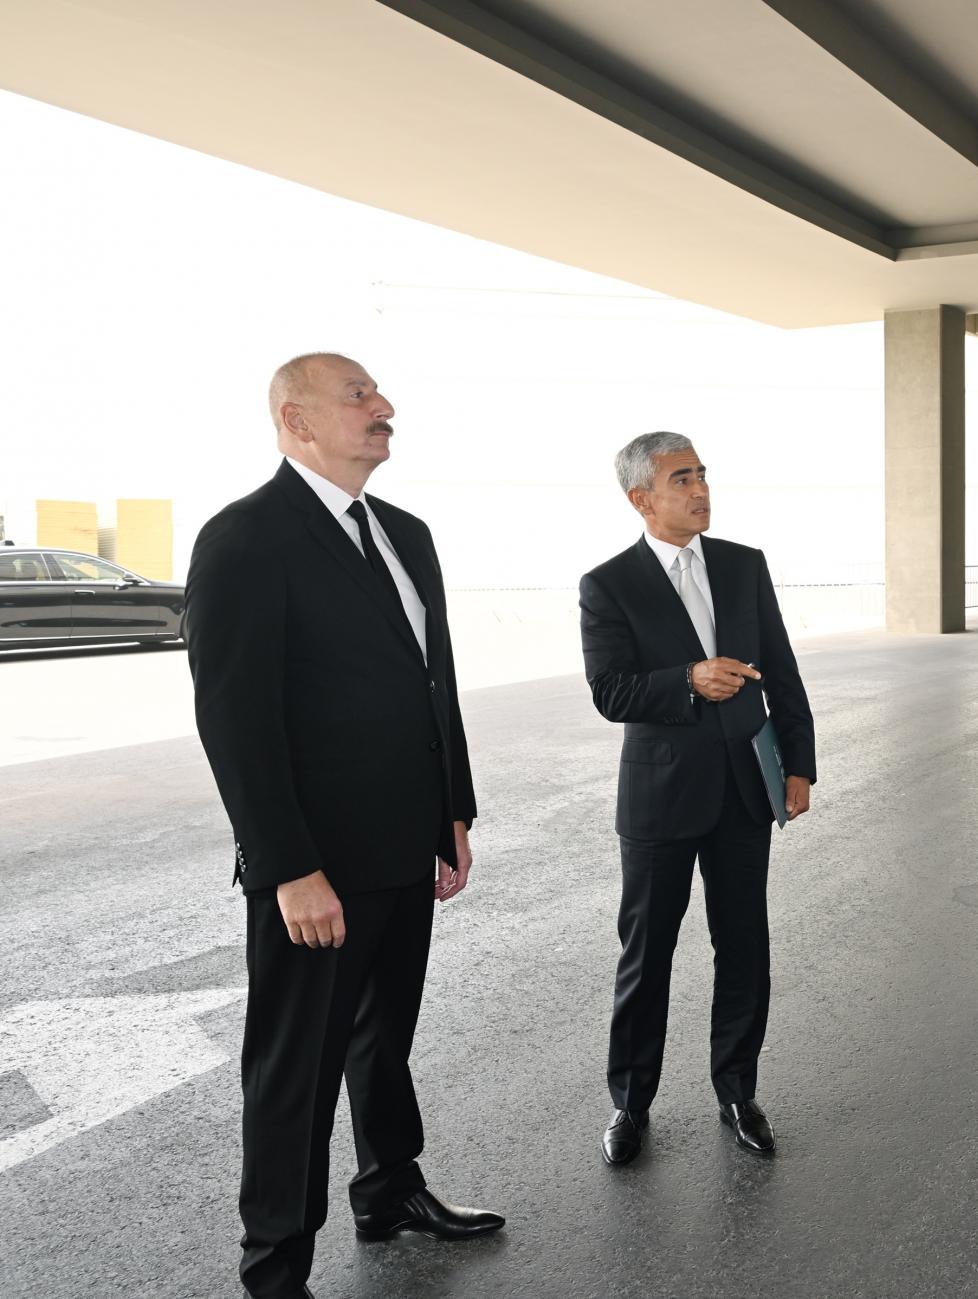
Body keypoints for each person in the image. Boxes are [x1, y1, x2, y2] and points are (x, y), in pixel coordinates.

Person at [187, 353, 502, 1298]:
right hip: (317, 866)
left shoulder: (405, 532)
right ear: (298, 420)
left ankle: (389, 1191)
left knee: (384, 1041)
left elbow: (428, 680)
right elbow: (235, 718)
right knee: (296, 1068)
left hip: (408, 844)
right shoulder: (245, 538)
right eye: (360, 397)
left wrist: (453, 806)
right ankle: (274, 1263)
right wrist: (288, 867)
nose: (385, 407)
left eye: (379, 394)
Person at [580, 431, 816, 1165]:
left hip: (747, 788)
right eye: (683, 478)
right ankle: (630, 1105)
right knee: (646, 954)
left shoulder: (745, 566)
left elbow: (779, 665)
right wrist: (687, 678)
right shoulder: (607, 584)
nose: (701, 488)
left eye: (703, 474)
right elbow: (610, 691)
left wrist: (799, 764)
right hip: (659, 798)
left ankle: (739, 1093)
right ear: (642, 498)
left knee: (744, 945)